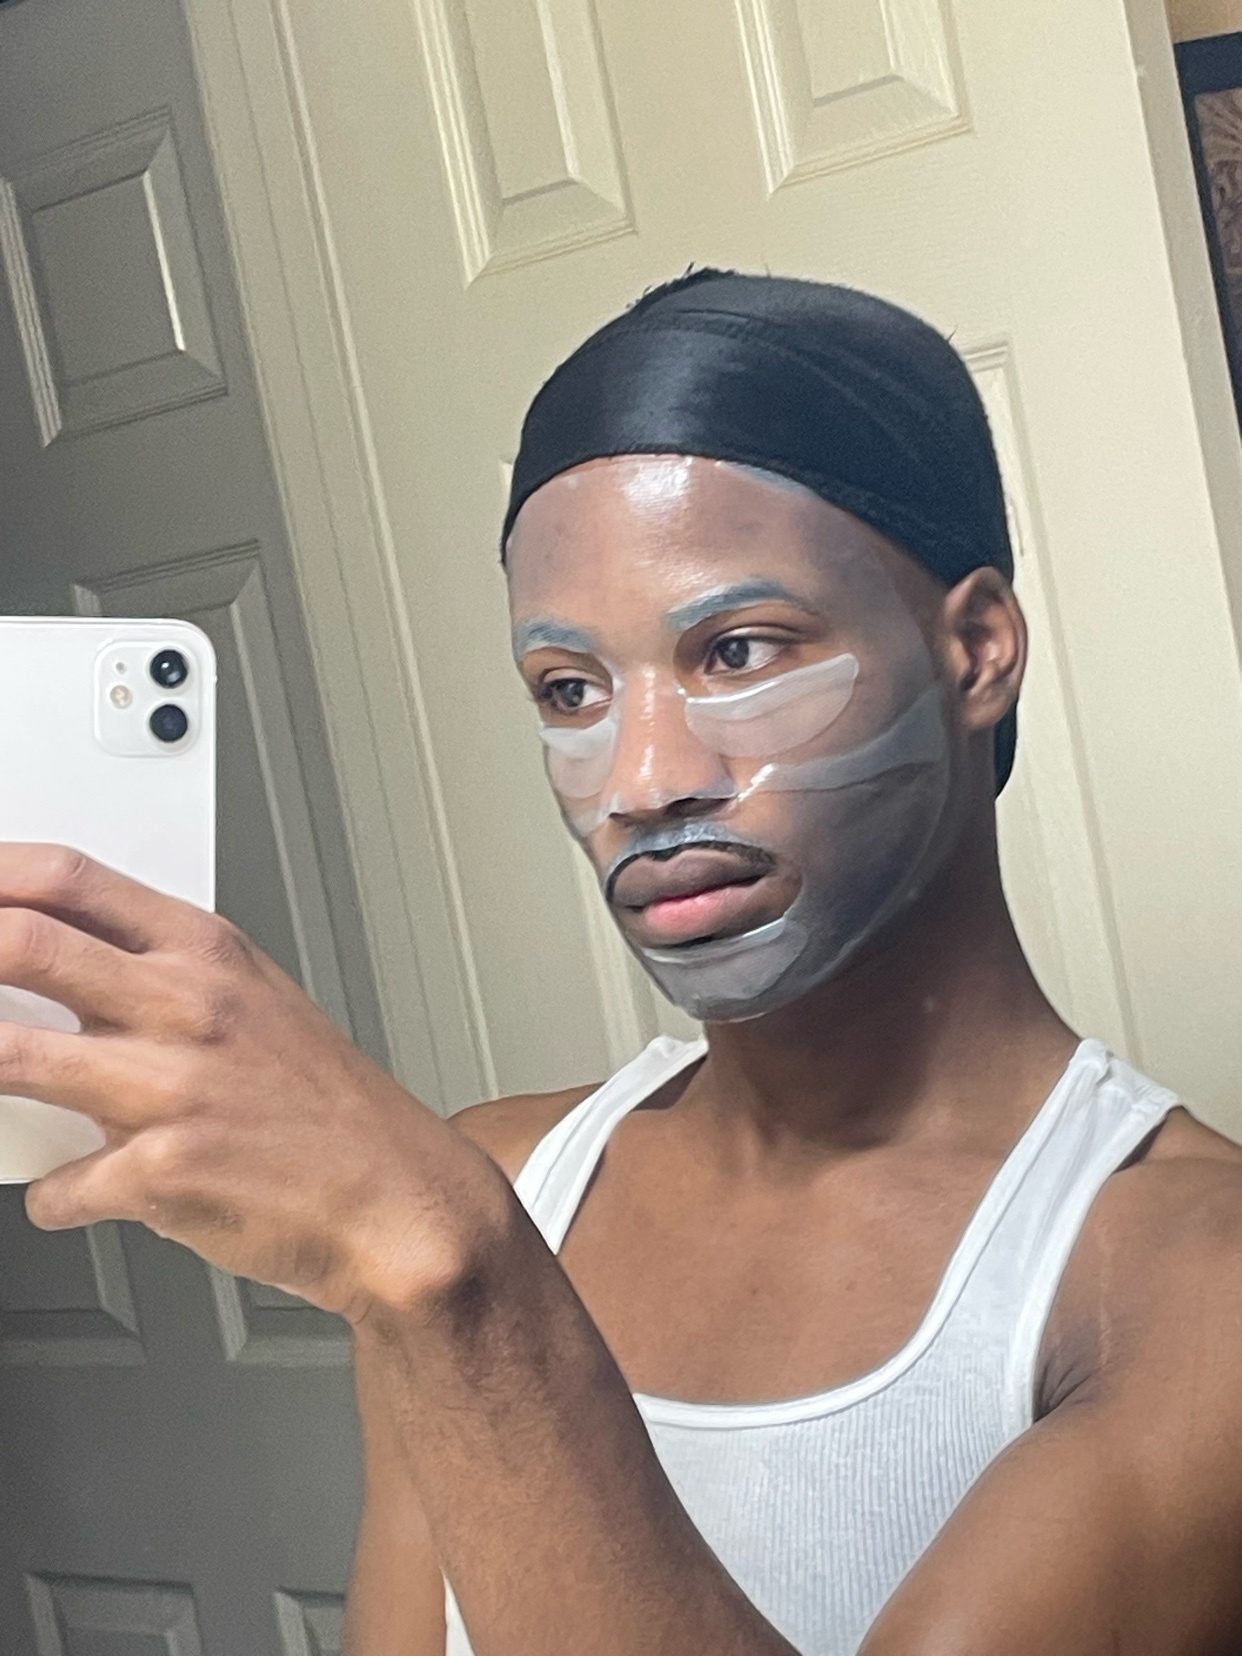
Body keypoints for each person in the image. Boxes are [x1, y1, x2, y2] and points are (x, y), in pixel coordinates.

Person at [5, 270, 1242, 1656]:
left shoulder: (1192, 1280)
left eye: (736, 651)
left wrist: (463, 1282)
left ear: (975, 650)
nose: (644, 781)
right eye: (571, 690)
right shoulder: (504, 1176)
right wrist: (445, 1254)